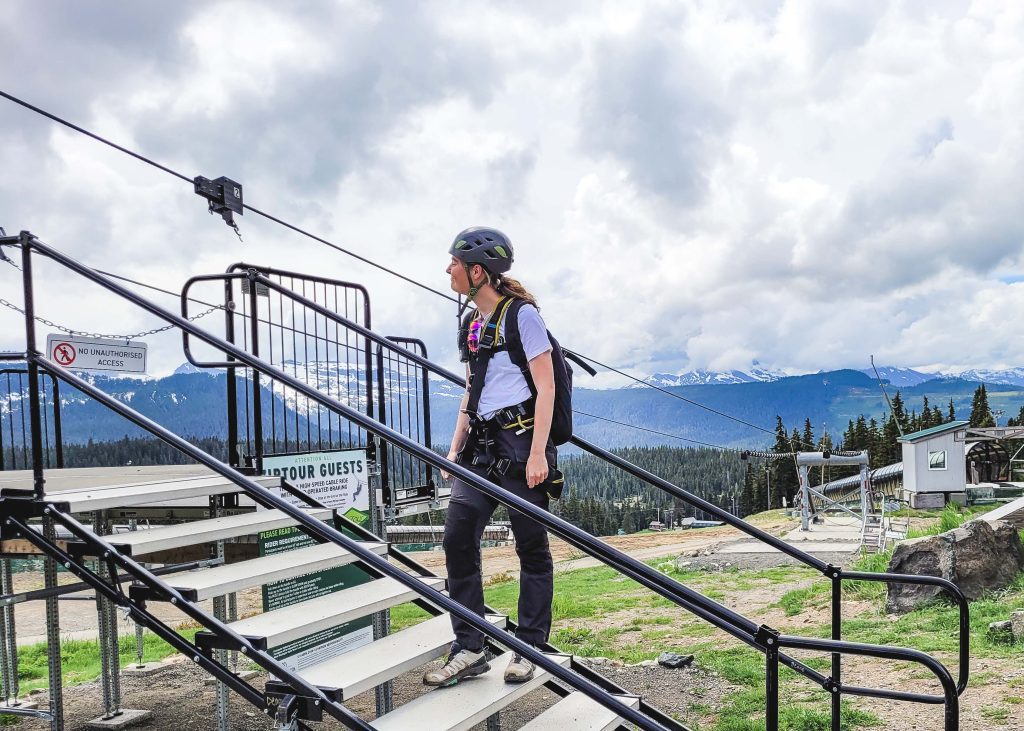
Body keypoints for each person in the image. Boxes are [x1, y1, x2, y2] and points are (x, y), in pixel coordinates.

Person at [423, 226, 557, 687]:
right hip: (479, 449)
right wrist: (454, 447)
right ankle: (470, 645)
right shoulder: (473, 323)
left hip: (521, 446)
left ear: (478, 271)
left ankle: (530, 646)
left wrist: (539, 452)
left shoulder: (523, 317)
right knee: (458, 539)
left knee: (531, 548)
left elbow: (547, 388)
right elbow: (471, 389)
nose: (448, 270)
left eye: (454, 263)